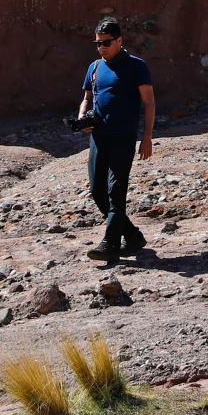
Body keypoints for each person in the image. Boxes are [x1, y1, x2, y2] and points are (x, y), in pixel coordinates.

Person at [77, 17, 155, 261]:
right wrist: (82, 116)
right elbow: (87, 98)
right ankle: (132, 236)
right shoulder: (94, 67)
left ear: (119, 40)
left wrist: (147, 137)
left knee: (116, 191)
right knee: (97, 191)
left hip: (123, 137)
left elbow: (149, 102)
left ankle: (110, 244)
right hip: (98, 138)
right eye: (98, 43)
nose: (101, 47)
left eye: (106, 42)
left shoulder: (136, 66)